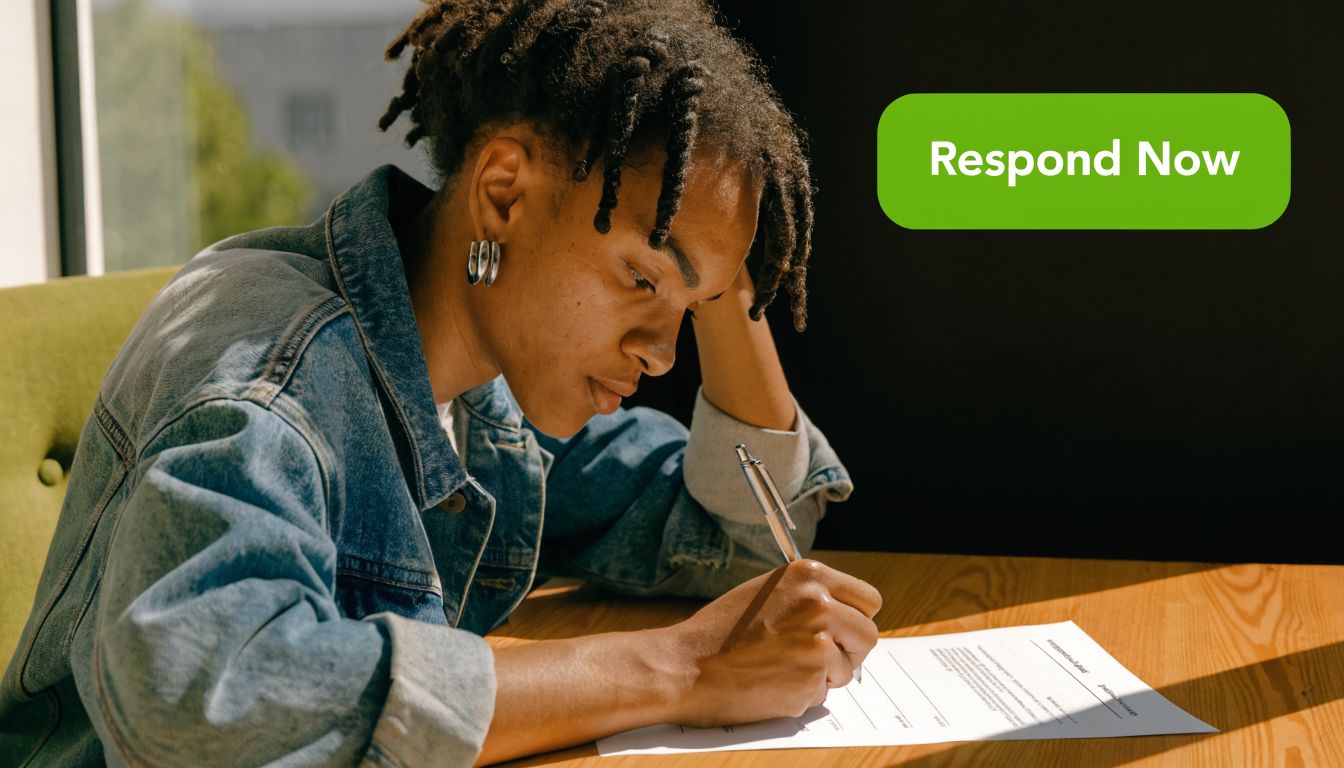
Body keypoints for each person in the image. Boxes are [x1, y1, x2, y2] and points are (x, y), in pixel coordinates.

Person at [0, 1, 882, 765]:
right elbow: (203, 707)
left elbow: (735, 538)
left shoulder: (481, 399)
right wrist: (680, 669)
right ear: (503, 193)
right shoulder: (275, 384)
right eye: (642, 279)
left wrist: (719, 273)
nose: (661, 354)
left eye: (692, 309)